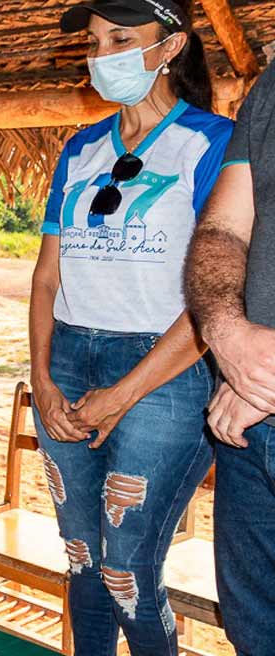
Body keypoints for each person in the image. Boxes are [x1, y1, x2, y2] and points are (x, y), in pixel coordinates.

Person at [31, 1, 230, 652]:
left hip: (165, 372)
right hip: (66, 358)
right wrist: (41, 379)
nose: (103, 54)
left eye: (122, 38)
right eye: (94, 41)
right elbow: (46, 279)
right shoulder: (81, 149)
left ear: (169, 48)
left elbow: (215, 296)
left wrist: (122, 393)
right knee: (83, 556)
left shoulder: (211, 143)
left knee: (125, 569)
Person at [185, 63, 275, 655]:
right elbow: (222, 228)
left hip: (253, 395)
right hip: (245, 415)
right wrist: (229, 336)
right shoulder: (271, 85)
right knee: (253, 628)